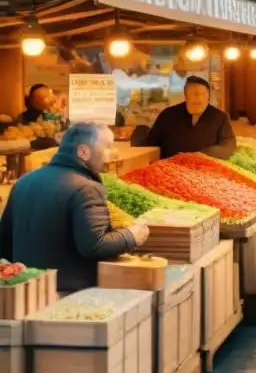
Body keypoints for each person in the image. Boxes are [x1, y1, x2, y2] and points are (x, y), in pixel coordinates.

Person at [0, 124, 150, 293]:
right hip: (70, 292)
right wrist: (131, 236)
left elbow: (4, 241)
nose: (114, 153)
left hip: (27, 290)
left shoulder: (24, 182)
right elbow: (94, 245)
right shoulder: (86, 188)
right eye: (108, 147)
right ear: (83, 152)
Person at [132, 75, 236, 159]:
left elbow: (229, 146)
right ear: (186, 95)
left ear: (208, 96)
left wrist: (203, 155)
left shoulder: (220, 117)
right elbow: (150, 143)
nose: (199, 98)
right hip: (169, 170)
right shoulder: (168, 115)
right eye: (195, 94)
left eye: (203, 94)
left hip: (205, 171)